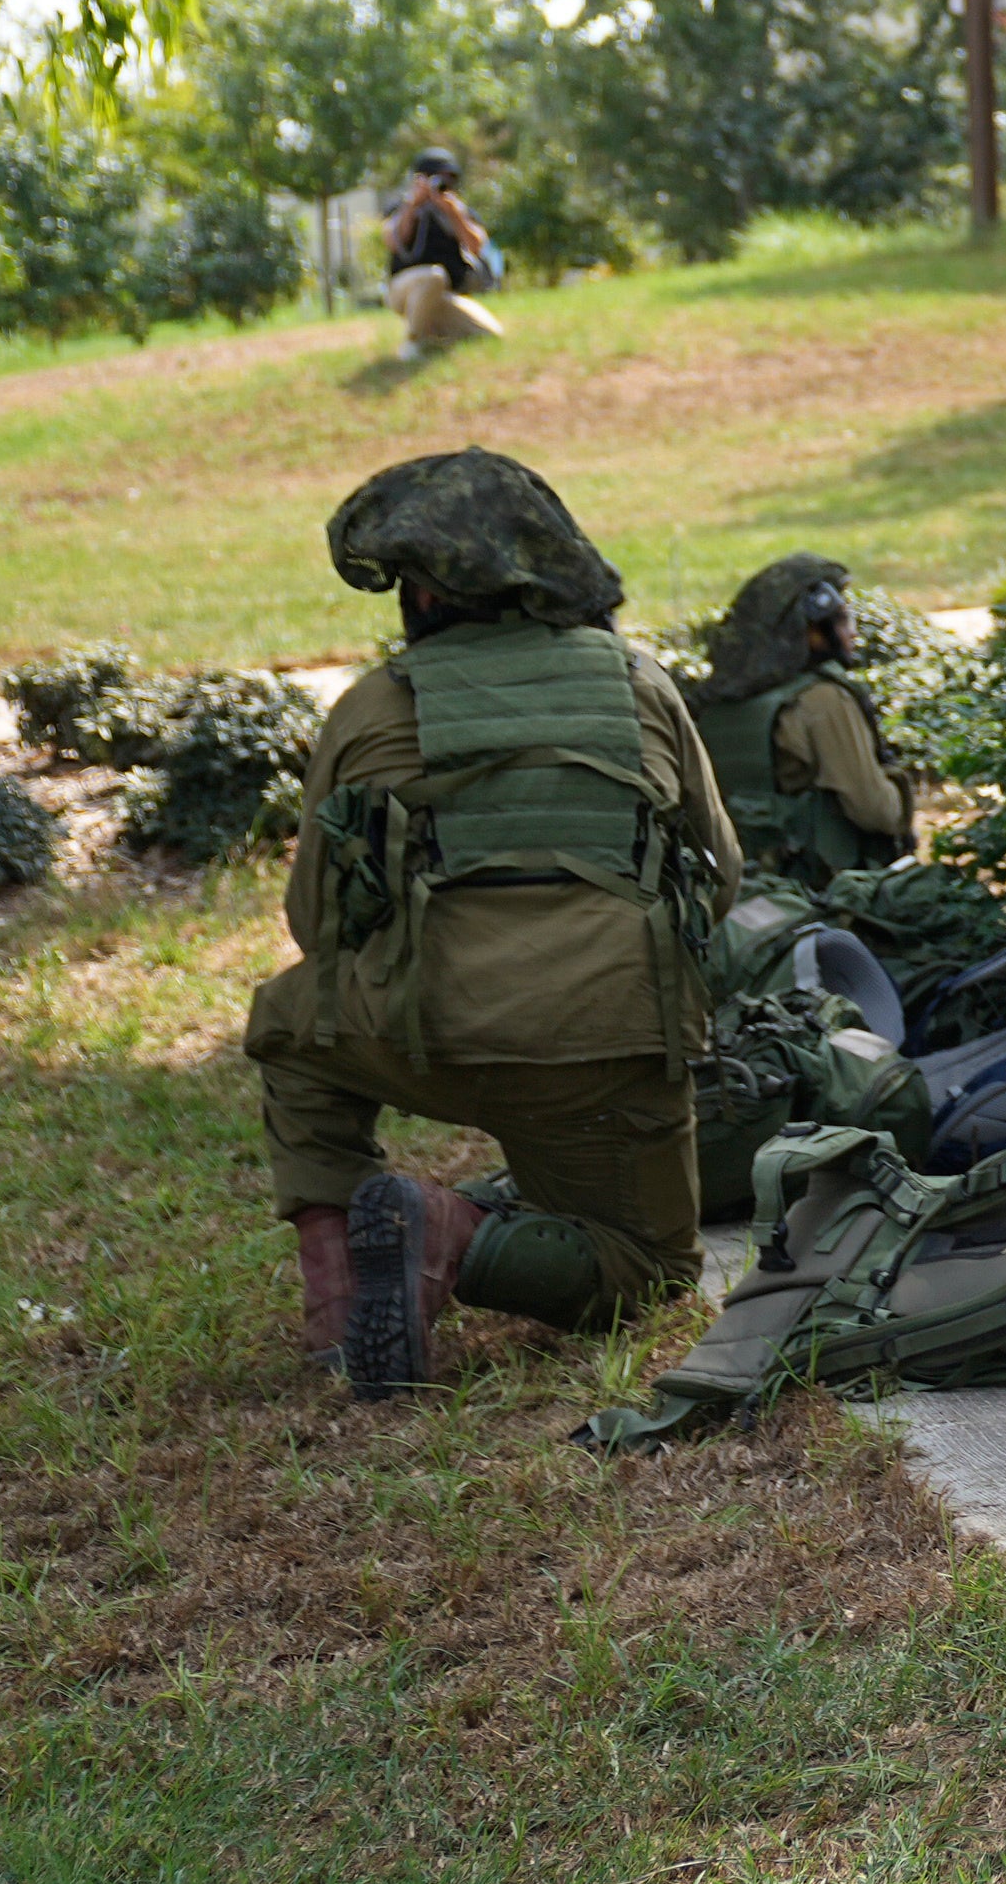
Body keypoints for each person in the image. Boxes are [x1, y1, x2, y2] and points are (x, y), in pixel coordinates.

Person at [249, 449, 740, 1395]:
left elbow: (315, 922)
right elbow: (717, 877)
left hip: (418, 1032)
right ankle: (452, 1234)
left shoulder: (372, 707)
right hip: (608, 1044)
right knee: (647, 1273)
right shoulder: (639, 686)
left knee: (290, 1025)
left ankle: (339, 1305)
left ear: (426, 596)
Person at [691, 553, 916, 888]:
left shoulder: (714, 703)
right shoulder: (823, 701)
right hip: (822, 897)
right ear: (808, 630)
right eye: (840, 620)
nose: (852, 633)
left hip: (736, 893)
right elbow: (874, 810)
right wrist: (899, 785)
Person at [382, 150, 504, 360]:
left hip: (444, 295)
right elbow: (392, 241)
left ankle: (432, 334)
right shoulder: (401, 207)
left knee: (490, 334)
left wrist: (453, 214)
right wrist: (413, 205)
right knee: (433, 276)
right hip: (405, 288)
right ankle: (411, 344)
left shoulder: (458, 210)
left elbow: (477, 246)